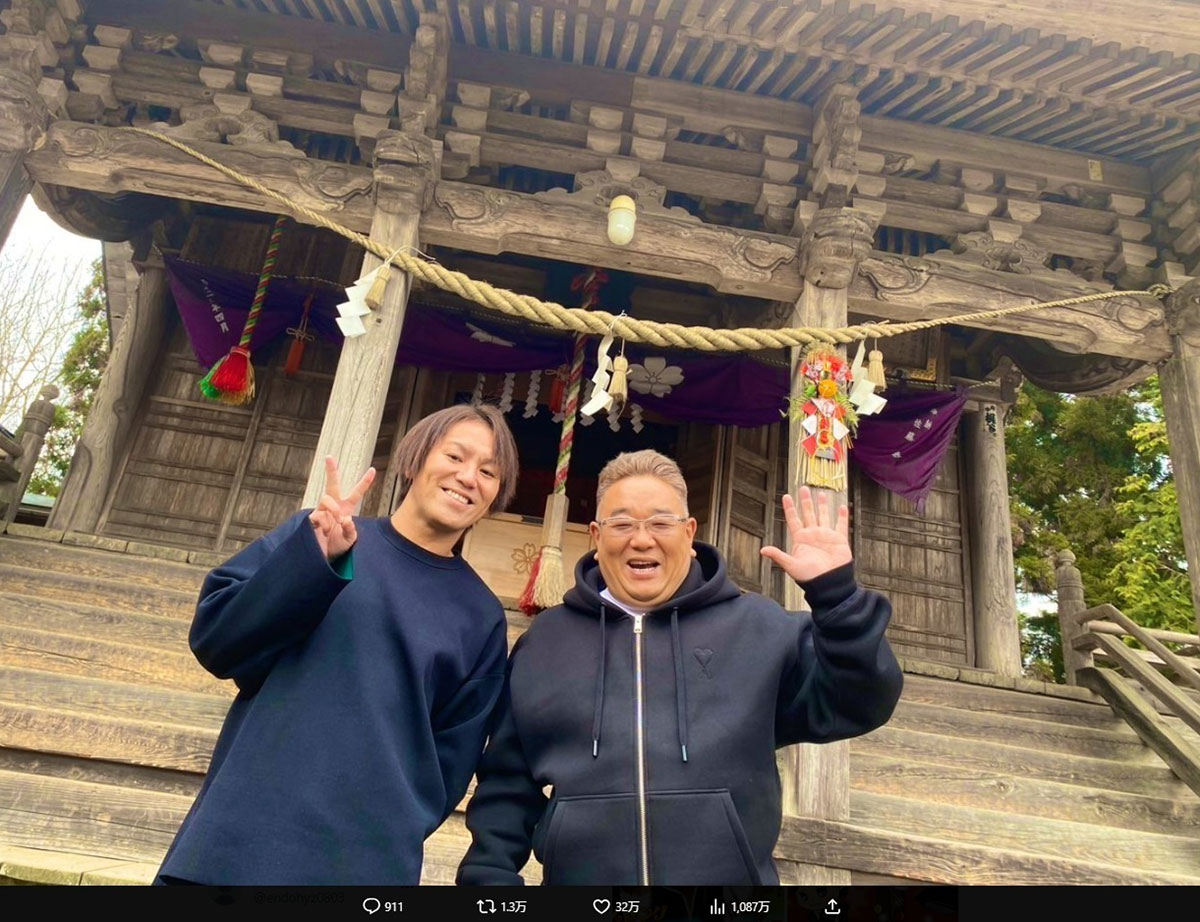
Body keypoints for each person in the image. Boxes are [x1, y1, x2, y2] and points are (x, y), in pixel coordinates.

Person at [457, 449, 902, 886]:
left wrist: (836, 596)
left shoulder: (759, 630)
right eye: (622, 523)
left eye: (660, 522)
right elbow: (507, 786)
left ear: (690, 533)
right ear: (596, 536)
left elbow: (860, 702)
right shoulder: (545, 643)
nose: (642, 538)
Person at [156, 404, 519, 885]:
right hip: (240, 837)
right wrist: (311, 563)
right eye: (455, 456)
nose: (468, 477)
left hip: (363, 862)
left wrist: (390, 827)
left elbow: (452, 761)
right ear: (414, 460)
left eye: (488, 472)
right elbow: (217, 642)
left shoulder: (480, 615)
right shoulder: (324, 538)